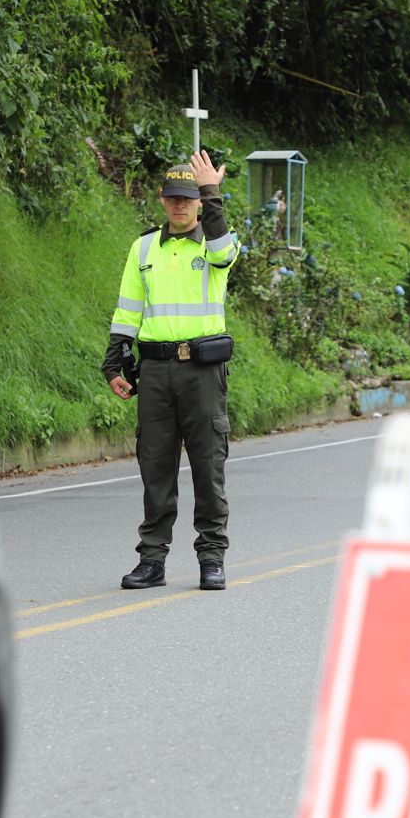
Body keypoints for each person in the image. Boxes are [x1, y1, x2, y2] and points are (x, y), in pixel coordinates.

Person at [102, 151, 240, 591]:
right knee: (155, 466)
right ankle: (152, 559)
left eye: (190, 198)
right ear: (162, 200)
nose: (181, 205)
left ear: (199, 203)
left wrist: (212, 192)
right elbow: (128, 308)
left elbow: (223, 251)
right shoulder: (143, 248)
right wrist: (114, 360)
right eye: (174, 198)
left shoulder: (216, 243)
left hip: (202, 371)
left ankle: (212, 557)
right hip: (157, 371)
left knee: (207, 465)